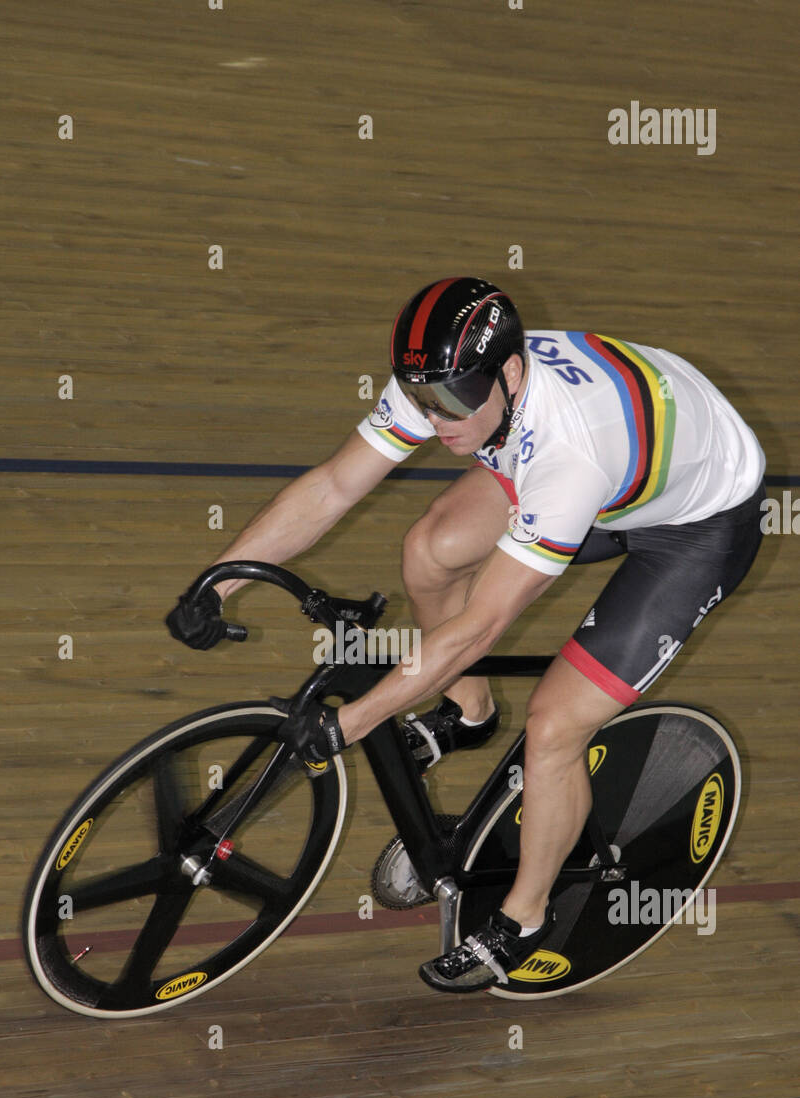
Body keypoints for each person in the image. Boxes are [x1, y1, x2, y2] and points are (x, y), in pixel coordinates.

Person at [166, 277, 766, 994]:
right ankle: (471, 715)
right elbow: (332, 487)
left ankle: (525, 914)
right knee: (431, 551)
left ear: (510, 375)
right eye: (422, 402)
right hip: (620, 465)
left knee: (553, 727)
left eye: (453, 404)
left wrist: (349, 725)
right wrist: (218, 580)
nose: (439, 423)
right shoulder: (448, 381)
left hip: (696, 527)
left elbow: (479, 625)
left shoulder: (566, 457)